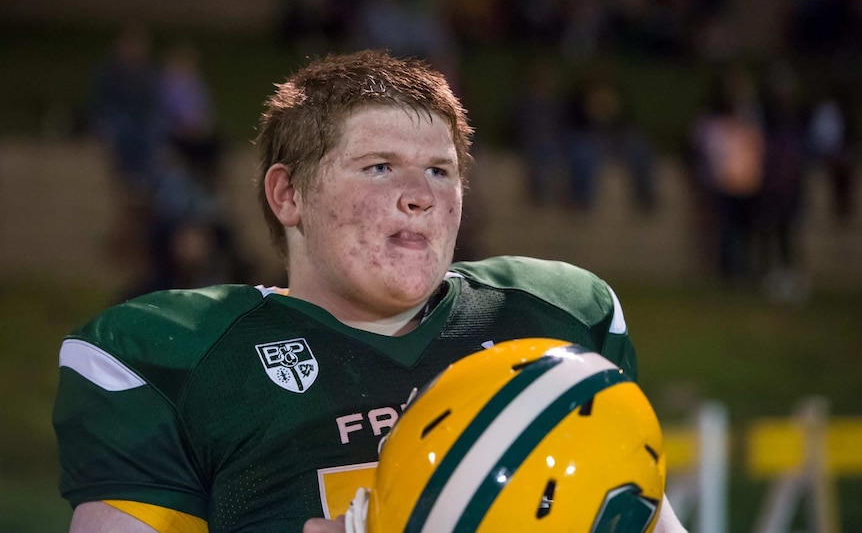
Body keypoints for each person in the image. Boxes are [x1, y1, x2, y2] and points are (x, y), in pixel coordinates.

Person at [53, 50, 688, 533]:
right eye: (379, 166)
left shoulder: (554, 319)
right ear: (288, 195)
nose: (421, 194)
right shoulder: (176, 359)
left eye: (440, 170)